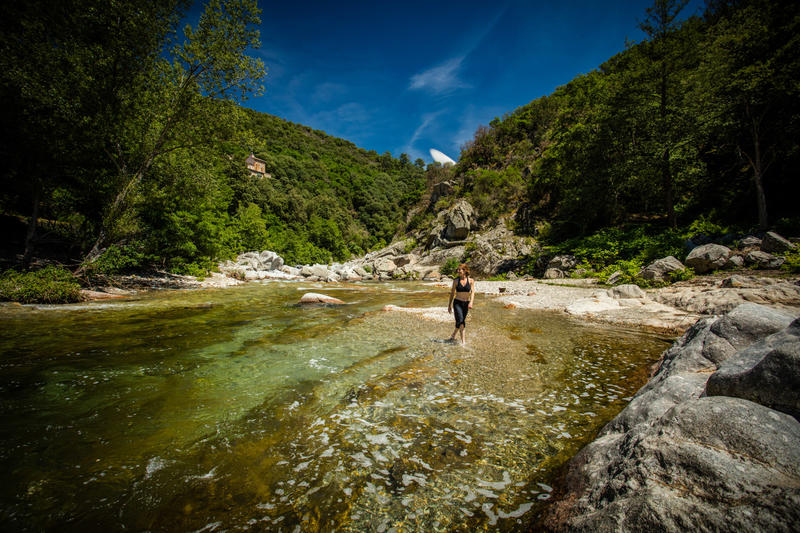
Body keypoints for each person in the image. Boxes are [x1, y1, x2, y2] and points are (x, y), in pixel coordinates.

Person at [447, 263, 474, 345]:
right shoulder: (456, 281)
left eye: (460, 270)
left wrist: (471, 302)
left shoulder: (471, 281)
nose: (458, 271)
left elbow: (473, 292)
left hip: (466, 303)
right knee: (461, 321)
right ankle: (463, 342)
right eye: (457, 270)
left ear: (465, 270)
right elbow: (452, 293)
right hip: (457, 303)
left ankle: (453, 335)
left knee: (460, 321)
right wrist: (449, 305)